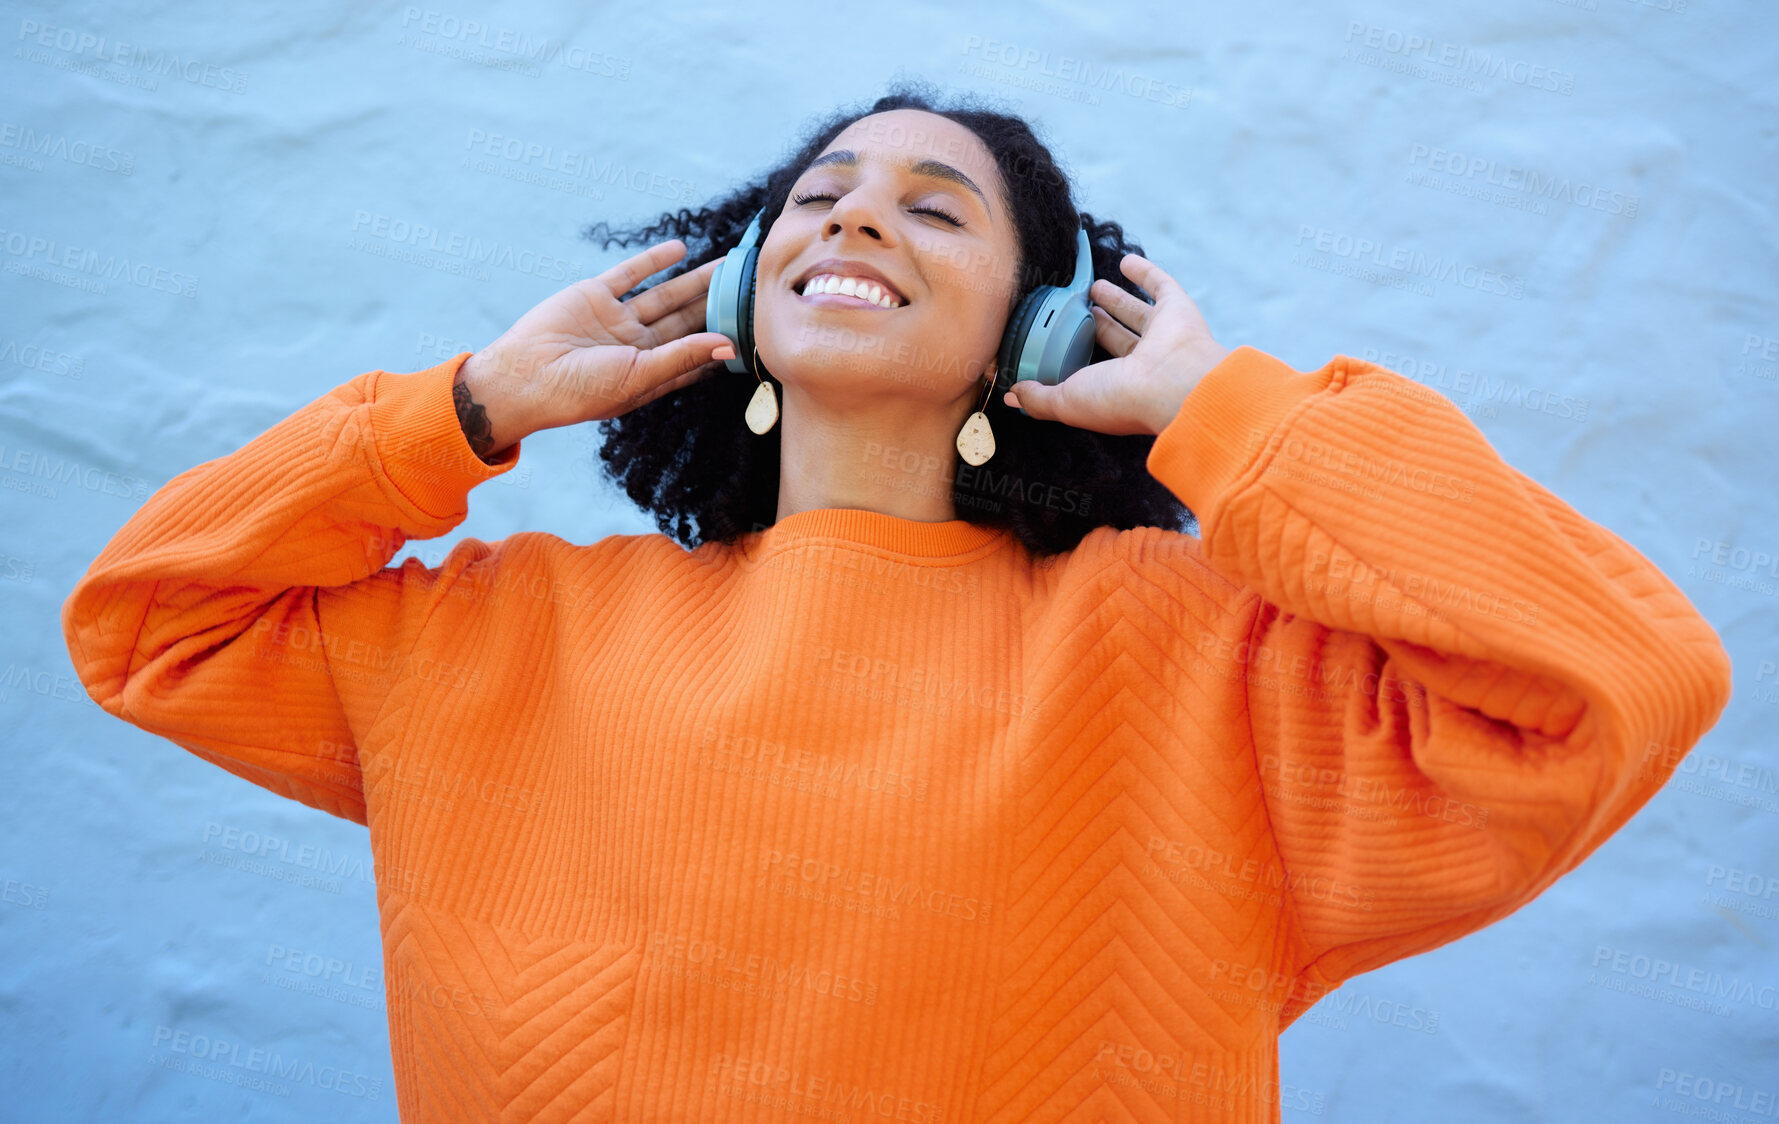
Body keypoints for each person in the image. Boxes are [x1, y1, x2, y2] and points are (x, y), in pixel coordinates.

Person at [62, 84, 1732, 1123]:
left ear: (1046, 330)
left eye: (940, 209)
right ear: (734, 286)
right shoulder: (507, 636)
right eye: (822, 195)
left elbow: (1614, 672)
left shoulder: (1193, 656)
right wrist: (469, 406)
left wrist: (1227, 412)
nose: (858, 212)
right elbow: (150, 620)